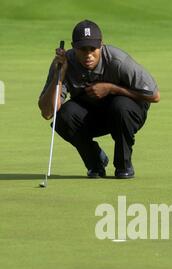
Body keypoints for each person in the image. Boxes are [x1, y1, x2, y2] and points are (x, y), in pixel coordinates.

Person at [38, 19, 160, 179]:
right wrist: (59, 76)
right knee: (64, 116)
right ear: (73, 47)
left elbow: (154, 95)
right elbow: (47, 112)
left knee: (120, 106)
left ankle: (124, 165)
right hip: (93, 115)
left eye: (93, 49)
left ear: (101, 45)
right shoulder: (64, 63)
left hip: (126, 114)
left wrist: (111, 88)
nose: (88, 54)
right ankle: (95, 162)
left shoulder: (118, 60)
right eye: (82, 49)